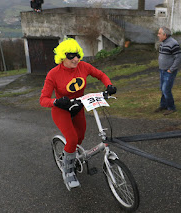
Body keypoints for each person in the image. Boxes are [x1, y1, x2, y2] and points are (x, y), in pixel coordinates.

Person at [40, 38, 116, 190]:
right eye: (71, 56)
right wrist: (56, 101)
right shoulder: (53, 74)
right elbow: (43, 99)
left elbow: (100, 75)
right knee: (72, 138)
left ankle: (70, 154)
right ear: (62, 56)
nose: (76, 59)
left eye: (78, 55)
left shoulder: (83, 66)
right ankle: (68, 171)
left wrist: (109, 85)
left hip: (79, 106)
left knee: (79, 138)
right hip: (62, 110)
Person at [155, 26, 181, 116]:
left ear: (165, 35)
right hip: (162, 70)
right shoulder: (162, 43)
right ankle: (163, 105)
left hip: (169, 71)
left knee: (166, 89)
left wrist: (171, 69)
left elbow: (178, 59)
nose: (158, 35)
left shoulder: (173, 43)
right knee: (162, 88)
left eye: (159, 33)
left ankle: (171, 107)